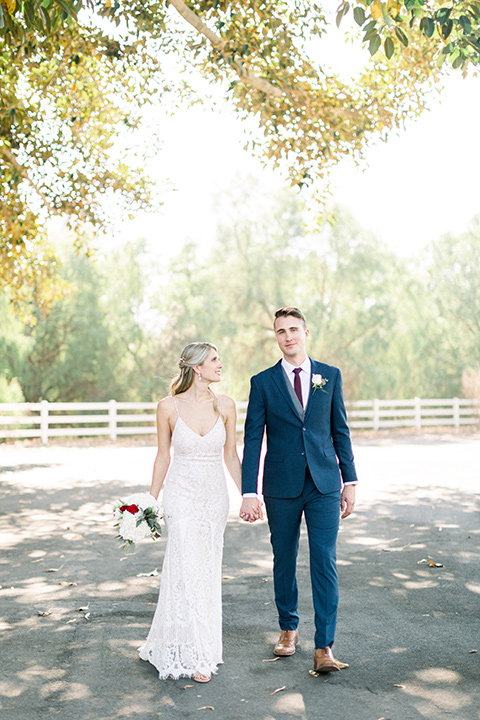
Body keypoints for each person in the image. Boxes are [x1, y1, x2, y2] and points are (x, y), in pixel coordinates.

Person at [240, 307, 358, 673]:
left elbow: (340, 430)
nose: (287, 336)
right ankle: (288, 628)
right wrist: (249, 491)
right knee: (284, 559)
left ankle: (324, 646)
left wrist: (350, 481)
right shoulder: (262, 382)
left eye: (293, 329)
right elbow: (252, 439)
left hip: (324, 483)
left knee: (325, 562)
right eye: (280, 331)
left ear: (306, 333)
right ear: (275, 338)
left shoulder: (330, 376)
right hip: (281, 486)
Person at [139, 342, 243, 683]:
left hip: (214, 498)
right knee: (185, 565)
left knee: (206, 570)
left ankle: (200, 643)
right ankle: (197, 654)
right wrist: (148, 504)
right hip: (181, 495)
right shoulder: (167, 407)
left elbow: (230, 455)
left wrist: (250, 495)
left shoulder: (226, 405)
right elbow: (162, 457)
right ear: (197, 367)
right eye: (214, 360)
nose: (220, 364)